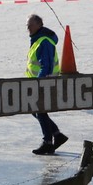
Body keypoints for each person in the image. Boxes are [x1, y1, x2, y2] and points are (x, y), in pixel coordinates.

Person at [25, 14, 69, 155]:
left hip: (45, 82)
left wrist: (39, 83)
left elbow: (46, 66)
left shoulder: (44, 41)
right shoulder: (38, 39)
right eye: (27, 26)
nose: (28, 28)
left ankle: (48, 142)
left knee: (39, 110)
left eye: (30, 25)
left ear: (39, 25)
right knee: (36, 110)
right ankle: (56, 135)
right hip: (39, 82)